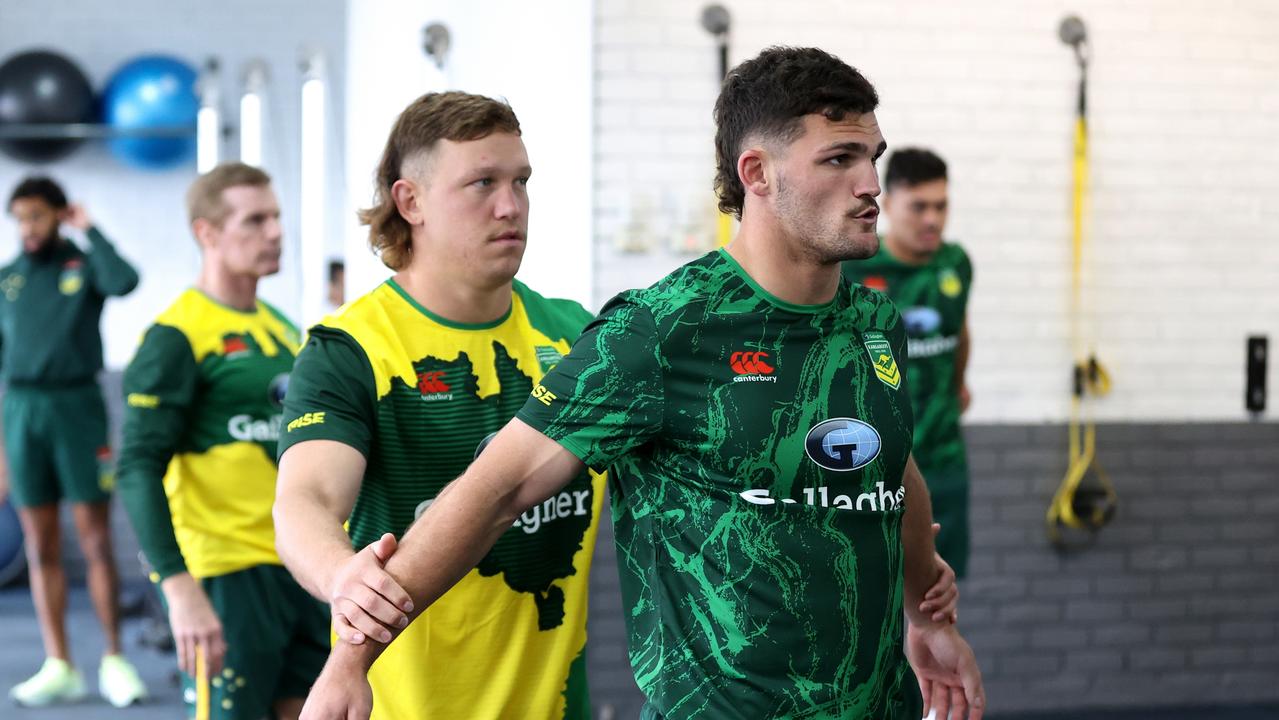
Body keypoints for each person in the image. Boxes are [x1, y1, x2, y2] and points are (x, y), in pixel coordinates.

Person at [298, 47, 983, 720]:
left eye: (872, 156)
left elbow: (887, 465)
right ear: (758, 174)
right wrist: (352, 658)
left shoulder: (872, 320)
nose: (869, 184)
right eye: (839, 158)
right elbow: (497, 489)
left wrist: (927, 614)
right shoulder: (662, 330)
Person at [273, 91, 608, 719]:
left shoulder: (576, 337)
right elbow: (304, 500)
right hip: (401, 704)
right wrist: (341, 578)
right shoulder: (351, 349)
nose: (511, 206)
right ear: (411, 201)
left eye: (521, 181)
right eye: (482, 182)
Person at [115, 163, 328, 720]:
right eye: (255, 220)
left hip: (298, 563)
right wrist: (177, 587)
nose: (275, 232)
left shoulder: (282, 328)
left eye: (277, 217)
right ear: (207, 233)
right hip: (227, 574)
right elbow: (136, 466)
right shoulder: (176, 336)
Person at [1, 177, 148, 708]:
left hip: (77, 409)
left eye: (37, 216)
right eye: (19, 218)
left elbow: (125, 280)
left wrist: (90, 230)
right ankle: (59, 663)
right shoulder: (7, 279)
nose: (27, 228)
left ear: (58, 216)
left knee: (95, 540)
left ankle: (114, 659)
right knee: (39, 545)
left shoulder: (83, 266)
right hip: (21, 412)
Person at [843, 148, 974, 580]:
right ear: (889, 204)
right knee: (876, 587)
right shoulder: (853, 269)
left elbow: (960, 330)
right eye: (919, 207)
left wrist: (958, 385)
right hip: (874, 467)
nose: (932, 219)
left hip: (943, 453)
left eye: (941, 206)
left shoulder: (956, 264)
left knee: (940, 591)